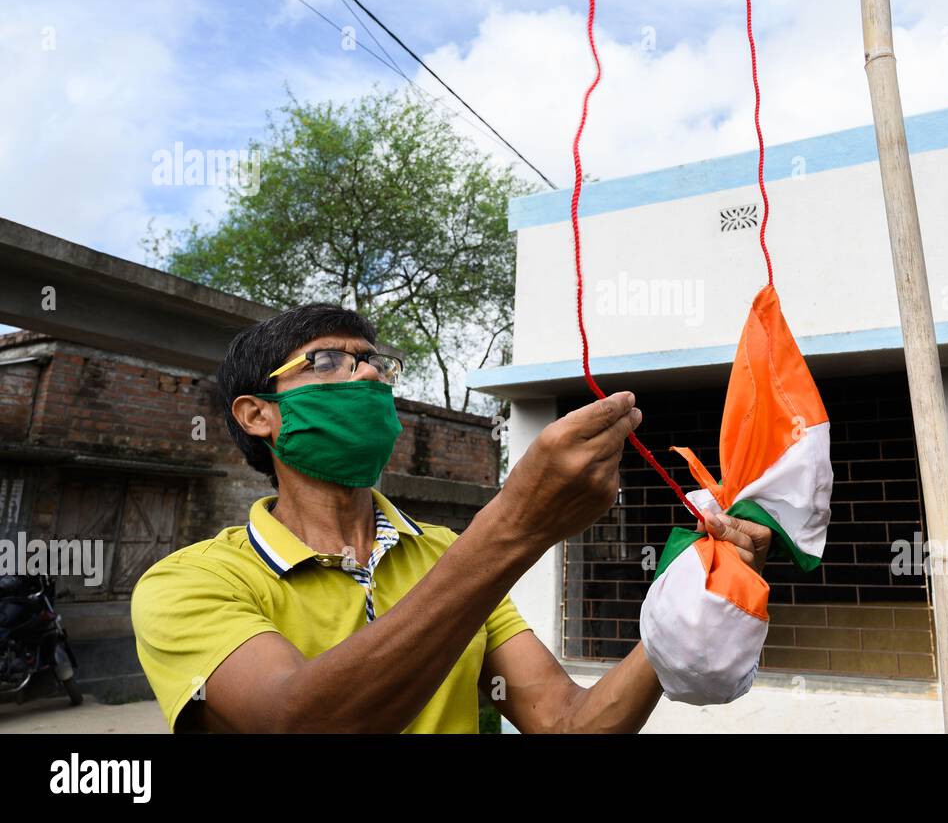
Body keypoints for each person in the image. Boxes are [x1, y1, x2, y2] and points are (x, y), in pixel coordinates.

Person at [130, 303, 771, 732]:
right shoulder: (187, 583)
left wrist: (690, 600)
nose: (370, 373)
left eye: (375, 360)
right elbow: (301, 720)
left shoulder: (443, 554)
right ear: (257, 414)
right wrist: (514, 524)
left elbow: (569, 722)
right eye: (330, 361)